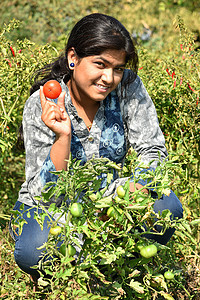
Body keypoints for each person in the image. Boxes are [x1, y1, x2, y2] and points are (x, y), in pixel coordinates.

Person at [9, 13, 183, 281]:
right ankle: (65, 277)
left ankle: (114, 272)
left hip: (114, 199)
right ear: (73, 58)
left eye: (117, 68)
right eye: (100, 64)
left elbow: (153, 150)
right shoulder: (45, 102)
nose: (108, 78)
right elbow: (45, 194)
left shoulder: (128, 88)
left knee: (167, 207)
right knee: (35, 250)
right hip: (53, 208)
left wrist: (133, 191)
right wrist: (63, 136)